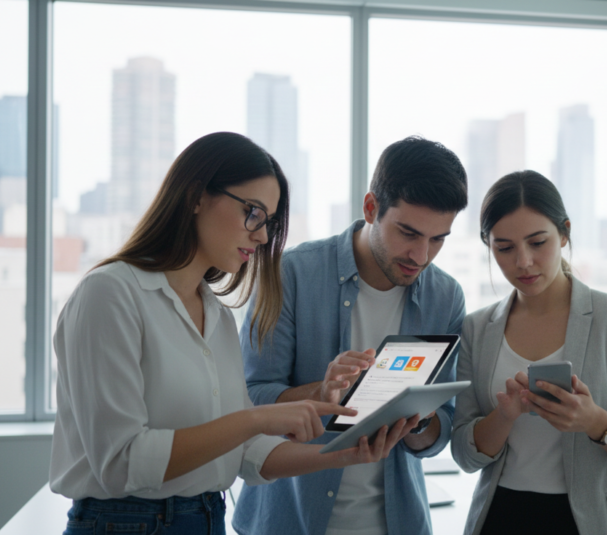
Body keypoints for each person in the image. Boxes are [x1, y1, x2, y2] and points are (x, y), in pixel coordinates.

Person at [50, 132, 413, 535]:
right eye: (253, 212)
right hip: (125, 524)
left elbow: (243, 452)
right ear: (196, 195)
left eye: (269, 222)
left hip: (207, 518)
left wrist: (342, 456)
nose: (261, 235)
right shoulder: (110, 294)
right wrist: (255, 417)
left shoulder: (217, 315)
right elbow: (121, 462)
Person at [233, 136, 469, 535]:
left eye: (438, 239)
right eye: (408, 233)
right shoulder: (292, 274)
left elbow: (437, 433)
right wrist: (321, 393)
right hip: (290, 519)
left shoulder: (445, 297)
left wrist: (418, 419)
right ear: (371, 208)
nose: (421, 256)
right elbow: (250, 398)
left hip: (395, 522)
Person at [451, 170, 607, 535]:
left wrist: (596, 423)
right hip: (501, 516)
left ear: (564, 232)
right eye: (504, 248)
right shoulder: (476, 329)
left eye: (538, 242)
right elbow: (464, 453)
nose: (523, 262)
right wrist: (503, 417)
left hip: (593, 520)